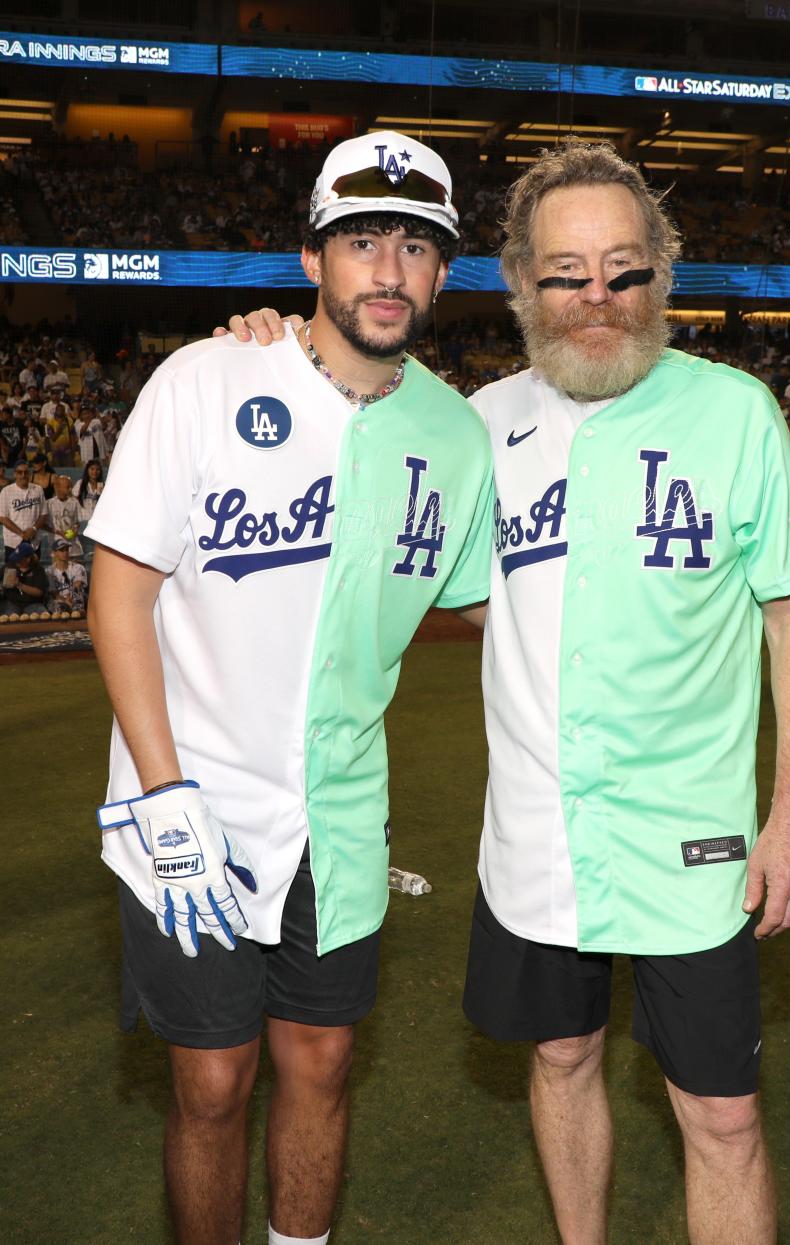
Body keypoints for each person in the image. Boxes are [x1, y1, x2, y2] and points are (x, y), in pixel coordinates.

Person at [230, 140, 790, 1245]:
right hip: (533, 832)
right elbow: (442, 569)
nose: (596, 297)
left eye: (623, 268)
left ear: (663, 268)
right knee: (559, 1057)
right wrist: (260, 349)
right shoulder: (472, 428)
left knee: (724, 1115)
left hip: (693, 836)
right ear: (517, 283)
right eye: (565, 272)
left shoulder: (738, 411)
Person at [87, 130, 493, 1245]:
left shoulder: (455, 438)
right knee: (211, 1084)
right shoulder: (208, 378)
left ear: (443, 274)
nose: (388, 271)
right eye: (362, 241)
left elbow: (496, 605)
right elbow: (117, 596)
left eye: (415, 248)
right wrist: (162, 794)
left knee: (322, 1060)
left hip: (342, 812)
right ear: (311, 259)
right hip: (193, 805)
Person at [46, 535, 87, 613]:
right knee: (55, 604)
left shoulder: (78, 567)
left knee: (78, 598)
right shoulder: (49, 571)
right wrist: (65, 600)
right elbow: (53, 592)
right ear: (54, 553)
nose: (65, 552)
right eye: (61, 550)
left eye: (67, 550)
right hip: (59, 600)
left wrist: (70, 598)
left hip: (74, 598)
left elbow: (77, 586)